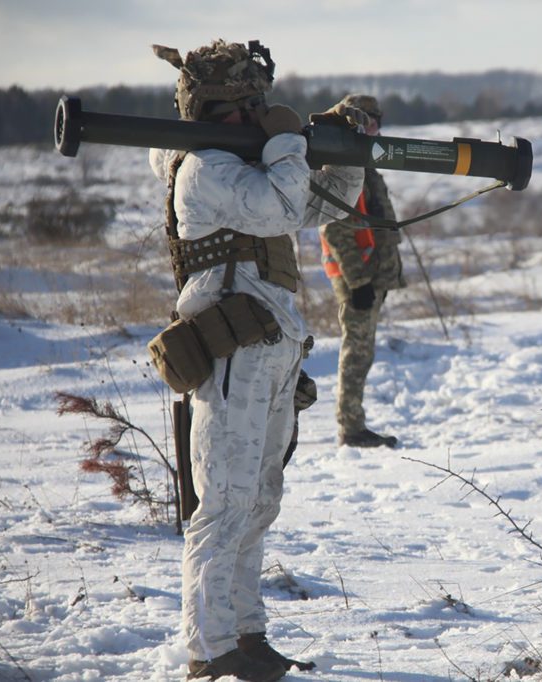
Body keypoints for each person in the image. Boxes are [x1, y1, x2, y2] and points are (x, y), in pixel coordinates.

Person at [149, 39, 367, 681]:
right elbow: (277, 202)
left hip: (270, 349)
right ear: (213, 111)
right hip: (229, 353)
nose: (254, 117)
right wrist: (287, 144)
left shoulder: (246, 162)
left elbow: (310, 207)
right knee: (222, 504)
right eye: (243, 108)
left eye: (259, 106)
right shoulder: (203, 168)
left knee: (259, 500)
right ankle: (209, 650)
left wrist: (345, 148)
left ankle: (246, 635)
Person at [318, 94, 406, 449]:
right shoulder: (344, 165)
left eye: (378, 121)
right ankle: (350, 428)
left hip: (371, 276)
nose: (377, 128)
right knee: (356, 352)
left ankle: (353, 424)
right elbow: (335, 227)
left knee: (362, 352)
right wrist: (358, 282)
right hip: (358, 278)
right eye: (371, 120)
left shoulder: (362, 163)